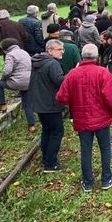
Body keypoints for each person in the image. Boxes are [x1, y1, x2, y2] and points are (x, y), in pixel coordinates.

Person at [56, 44, 112, 192]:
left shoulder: (72, 74)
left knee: (85, 150)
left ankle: (88, 182)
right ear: (97, 57)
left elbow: (61, 97)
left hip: (82, 119)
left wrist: (74, 100)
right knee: (105, 148)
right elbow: (110, 98)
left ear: (82, 56)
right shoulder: (103, 73)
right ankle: (106, 178)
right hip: (102, 118)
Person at [29, 39, 66, 172]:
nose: (63, 51)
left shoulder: (36, 62)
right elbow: (59, 81)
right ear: (50, 51)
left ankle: (46, 158)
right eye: (59, 49)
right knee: (57, 131)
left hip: (39, 103)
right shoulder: (52, 64)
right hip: (50, 104)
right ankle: (51, 163)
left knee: (47, 130)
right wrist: (71, 76)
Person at [0, 38, 35, 131]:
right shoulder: (24, 52)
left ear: (5, 48)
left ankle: (2, 105)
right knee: (27, 103)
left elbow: (7, 72)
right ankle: (32, 125)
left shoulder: (10, 55)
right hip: (30, 81)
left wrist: (2, 78)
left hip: (18, 82)